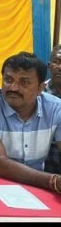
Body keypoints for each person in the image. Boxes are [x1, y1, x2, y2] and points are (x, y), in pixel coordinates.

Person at [0, 52, 61, 194]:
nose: (13, 88)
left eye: (24, 82)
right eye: (8, 80)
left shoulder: (56, 108)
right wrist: (53, 181)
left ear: (40, 88)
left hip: (33, 189)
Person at [43, 44, 61, 174]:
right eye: (56, 61)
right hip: (44, 170)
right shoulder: (37, 94)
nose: (60, 67)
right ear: (49, 65)